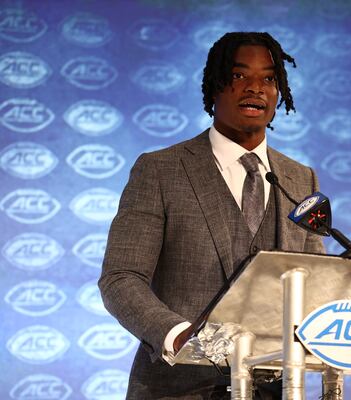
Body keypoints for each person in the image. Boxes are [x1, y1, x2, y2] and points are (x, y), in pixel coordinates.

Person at [99, 32, 325, 399]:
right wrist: (176, 335)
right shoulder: (160, 170)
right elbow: (121, 278)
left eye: (269, 78)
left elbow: (316, 280)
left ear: (279, 92)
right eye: (239, 76)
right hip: (175, 388)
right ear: (214, 87)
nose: (256, 89)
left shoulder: (301, 179)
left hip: (276, 389)